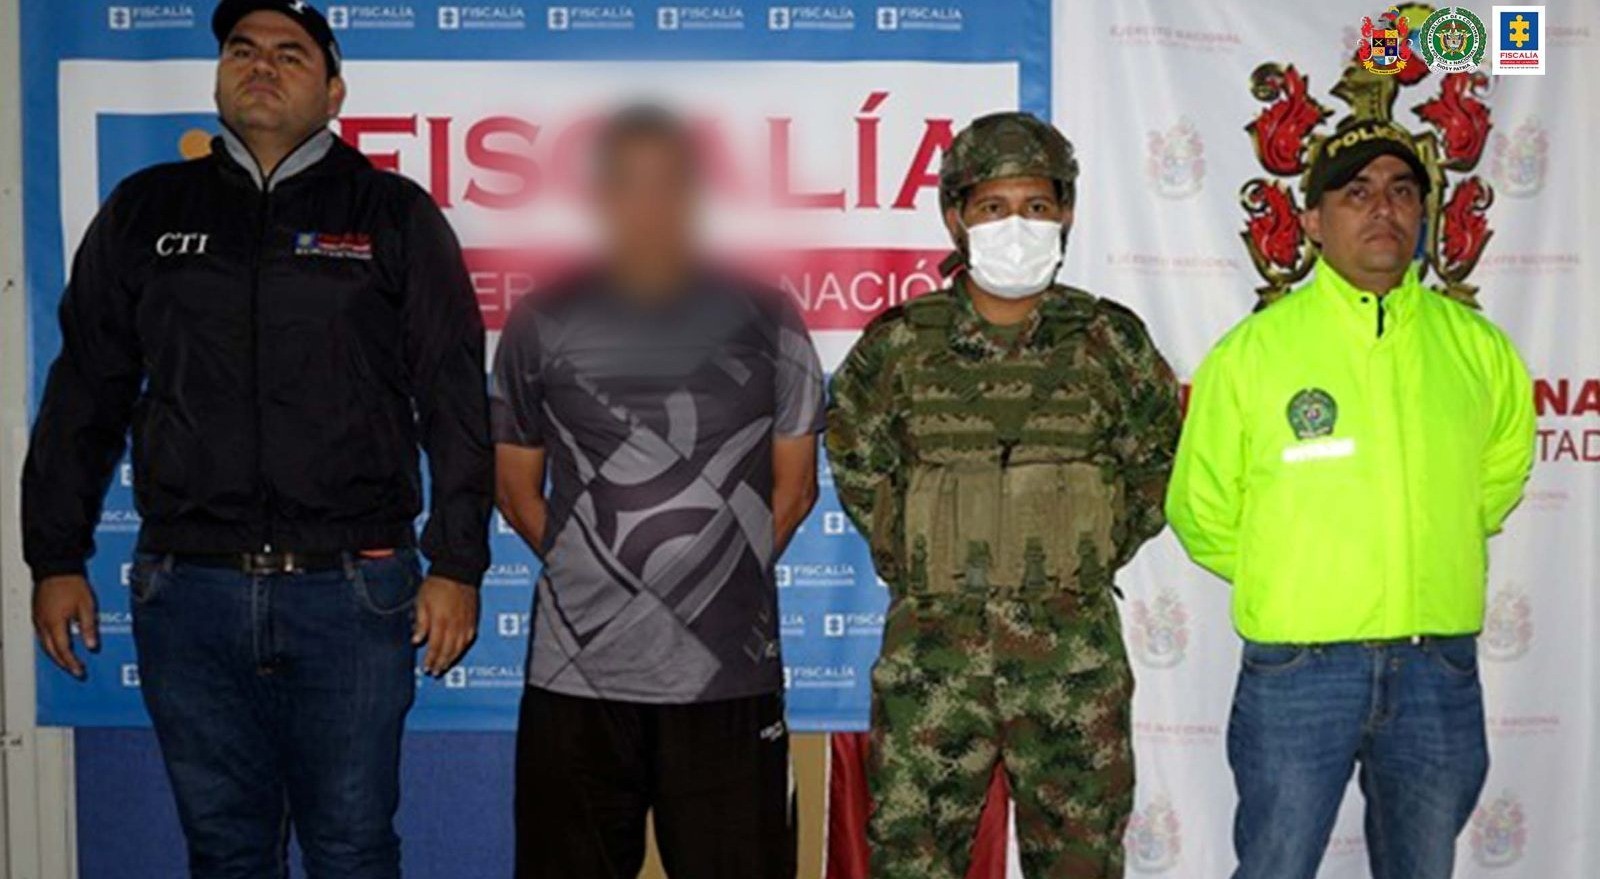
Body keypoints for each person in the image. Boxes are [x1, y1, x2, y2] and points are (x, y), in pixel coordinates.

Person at [22, 2, 491, 875]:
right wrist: (53, 555)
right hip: (187, 591)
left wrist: (458, 562)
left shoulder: (391, 213)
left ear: (334, 91)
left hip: (353, 588)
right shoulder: (145, 210)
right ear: (218, 77)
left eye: (290, 54)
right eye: (242, 50)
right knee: (225, 851)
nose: (261, 66)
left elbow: (455, 395)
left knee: (352, 848)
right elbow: (84, 388)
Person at [1165, 119, 1537, 879]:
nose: (1383, 209)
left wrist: (1435, 539)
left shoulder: (1478, 347)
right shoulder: (1252, 353)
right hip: (1298, 669)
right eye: (1356, 193)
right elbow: (1201, 505)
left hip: (1436, 664)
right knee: (1274, 866)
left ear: (1423, 213)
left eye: (1402, 192)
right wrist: (1291, 574)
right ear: (1312, 221)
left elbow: (1503, 467)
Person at [826, 111, 1183, 879]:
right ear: (955, 216)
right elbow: (856, 459)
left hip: (1072, 656)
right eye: (992, 206)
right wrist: (919, 551)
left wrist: (1086, 543)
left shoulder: (1110, 341)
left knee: (1081, 860)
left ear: (1067, 213)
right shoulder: (898, 344)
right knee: (913, 861)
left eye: (1036, 205)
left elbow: (1157, 461)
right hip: (932, 654)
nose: (1015, 225)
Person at [491, 104, 824, 879]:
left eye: (667, 182)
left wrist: (706, 586)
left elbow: (797, 488)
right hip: (576, 681)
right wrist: (605, 586)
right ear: (601, 195)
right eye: (629, 182)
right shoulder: (539, 320)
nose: (649, 202)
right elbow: (514, 488)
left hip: (728, 677)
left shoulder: (770, 317)